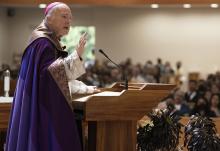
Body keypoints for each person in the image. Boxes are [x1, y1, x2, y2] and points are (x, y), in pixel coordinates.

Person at [6, 2, 98, 151]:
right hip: (43, 108)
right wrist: (76, 56)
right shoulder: (43, 43)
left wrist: (83, 85)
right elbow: (52, 78)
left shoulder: (45, 40)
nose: (69, 21)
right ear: (49, 18)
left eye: (70, 18)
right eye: (64, 16)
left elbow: (53, 75)